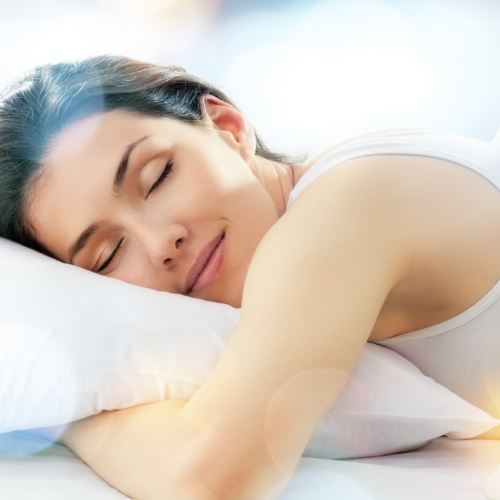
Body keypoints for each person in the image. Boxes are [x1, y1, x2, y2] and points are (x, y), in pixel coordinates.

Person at [0, 54, 499, 499]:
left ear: (228, 127)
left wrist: (70, 420)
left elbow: (207, 480)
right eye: (108, 254)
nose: (160, 242)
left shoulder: (342, 211)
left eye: (157, 177)